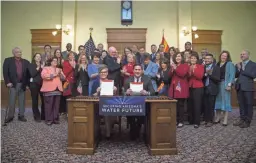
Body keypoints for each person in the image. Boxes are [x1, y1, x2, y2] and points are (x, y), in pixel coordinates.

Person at [124, 64, 155, 140]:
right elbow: (123, 93)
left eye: (139, 70)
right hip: (131, 104)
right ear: (133, 70)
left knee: (141, 115)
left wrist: (147, 93)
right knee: (131, 116)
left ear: (142, 71)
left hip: (143, 103)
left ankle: (138, 128)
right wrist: (126, 92)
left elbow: (153, 92)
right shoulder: (128, 80)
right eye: (136, 69)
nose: (137, 71)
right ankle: (133, 129)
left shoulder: (147, 79)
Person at [3, 47, 30, 123]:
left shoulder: (26, 62)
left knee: (22, 101)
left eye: (20, 52)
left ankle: (21, 115)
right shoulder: (8, 60)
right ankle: (10, 116)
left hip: (23, 84)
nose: (19, 53)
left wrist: (27, 84)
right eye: (17, 52)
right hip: (13, 84)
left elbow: (28, 75)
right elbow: (5, 72)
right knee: (11, 101)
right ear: (13, 53)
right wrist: (7, 82)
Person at [91, 65, 117, 139]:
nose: (103, 74)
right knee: (100, 111)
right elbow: (91, 96)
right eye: (101, 72)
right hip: (97, 103)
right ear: (99, 73)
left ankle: (108, 132)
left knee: (108, 110)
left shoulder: (111, 81)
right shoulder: (96, 82)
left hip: (109, 103)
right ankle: (100, 132)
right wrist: (96, 92)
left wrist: (115, 90)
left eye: (105, 72)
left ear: (107, 73)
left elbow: (115, 96)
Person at [233, 50, 256, 128]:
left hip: (248, 88)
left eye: (244, 54)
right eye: (241, 54)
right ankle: (242, 119)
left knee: (249, 104)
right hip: (239, 87)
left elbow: (253, 75)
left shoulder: (253, 64)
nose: (242, 55)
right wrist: (238, 69)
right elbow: (236, 75)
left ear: (248, 55)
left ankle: (248, 121)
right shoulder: (238, 64)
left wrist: (242, 69)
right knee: (241, 104)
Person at [41, 57, 65, 125]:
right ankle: (49, 120)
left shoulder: (59, 69)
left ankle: (55, 119)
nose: (55, 62)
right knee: (49, 105)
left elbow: (63, 78)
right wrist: (54, 75)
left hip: (58, 90)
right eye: (53, 61)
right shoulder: (46, 68)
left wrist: (60, 74)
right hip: (49, 90)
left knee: (56, 106)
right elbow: (43, 76)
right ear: (50, 62)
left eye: (56, 61)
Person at [168, 52, 189, 128]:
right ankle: (175, 120)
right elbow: (169, 75)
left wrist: (176, 68)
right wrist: (172, 69)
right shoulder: (174, 65)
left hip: (181, 87)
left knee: (181, 105)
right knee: (174, 105)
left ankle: (181, 121)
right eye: (176, 56)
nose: (178, 58)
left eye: (179, 56)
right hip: (174, 87)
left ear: (182, 57)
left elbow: (182, 74)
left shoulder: (185, 65)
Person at [214, 50, 235, 126]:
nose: (223, 57)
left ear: (227, 57)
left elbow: (232, 75)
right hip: (217, 85)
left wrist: (229, 85)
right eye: (222, 55)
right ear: (220, 56)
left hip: (225, 84)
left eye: (225, 56)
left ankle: (225, 119)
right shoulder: (217, 64)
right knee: (217, 101)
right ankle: (218, 117)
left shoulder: (229, 64)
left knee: (226, 101)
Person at [187, 54, 205, 128]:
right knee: (190, 104)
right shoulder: (188, 67)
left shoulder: (200, 66)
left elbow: (200, 76)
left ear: (197, 59)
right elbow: (187, 77)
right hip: (190, 86)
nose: (193, 59)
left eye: (194, 58)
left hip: (198, 87)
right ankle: (191, 120)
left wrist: (193, 70)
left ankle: (197, 122)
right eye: (192, 58)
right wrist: (190, 71)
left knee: (197, 105)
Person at [28, 53, 45, 122]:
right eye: (37, 56)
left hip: (42, 85)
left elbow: (45, 75)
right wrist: (38, 68)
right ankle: (37, 116)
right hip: (34, 85)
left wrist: (43, 68)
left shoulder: (43, 65)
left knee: (44, 100)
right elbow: (32, 74)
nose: (38, 58)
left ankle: (43, 115)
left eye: (40, 57)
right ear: (34, 58)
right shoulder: (31, 65)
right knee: (35, 101)